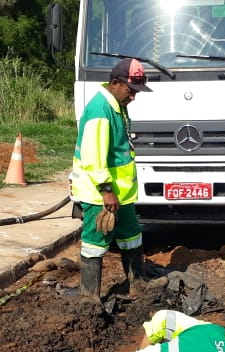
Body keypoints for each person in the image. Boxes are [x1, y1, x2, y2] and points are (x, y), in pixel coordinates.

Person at [70, 58, 152, 300]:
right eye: (131, 90)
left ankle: (138, 283)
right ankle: (90, 296)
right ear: (116, 83)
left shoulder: (117, 105)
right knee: (95, 242)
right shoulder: (100, 111)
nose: (134, 97)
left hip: (121, 195)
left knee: (131, 236)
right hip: (101, 195)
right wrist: (106, 191)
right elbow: (93, 157)